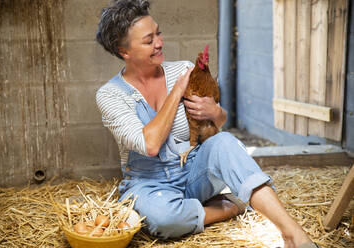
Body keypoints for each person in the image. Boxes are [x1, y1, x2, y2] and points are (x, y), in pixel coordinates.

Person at [95, 1, 319, 247]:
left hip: (193, 170)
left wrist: (216, 112)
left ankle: (293, 235)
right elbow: (150, 144)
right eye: (148, 41)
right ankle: (231, 207)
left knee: (224, 142)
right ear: (124, 51)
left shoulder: (184, 69)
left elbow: (218, 123)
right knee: (163, 219)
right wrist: (177, 90)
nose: (159, 42)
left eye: (158, 32)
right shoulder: (111, 95)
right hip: (149, 183)